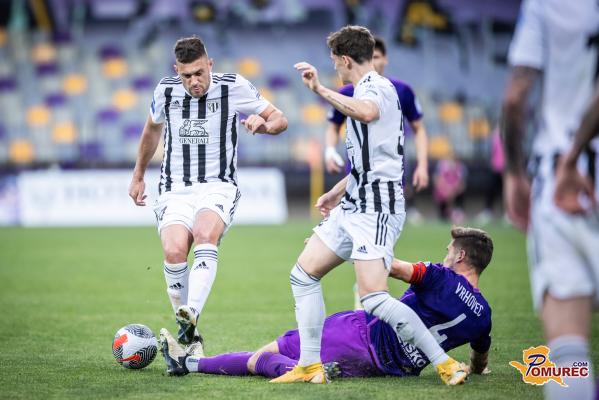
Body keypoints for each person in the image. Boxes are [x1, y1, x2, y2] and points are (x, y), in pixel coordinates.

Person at [273, 25, 465, 385]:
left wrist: (319, 90)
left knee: (374, 298)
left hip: (377, 208)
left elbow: (366, 113)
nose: (334, 68)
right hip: (354, 202)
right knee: (303, 274)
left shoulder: (376, 87)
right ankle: (310, 365)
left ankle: (445, 363)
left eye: (335, 62)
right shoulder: (366, 89)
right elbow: (369, 160)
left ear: (346, 60)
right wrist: (336, 192)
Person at [159, 227, 492, 385]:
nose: (445, 255)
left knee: (260, 358)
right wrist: (476, 369)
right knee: (304, 361)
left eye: (449, 251)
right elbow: (480, 357)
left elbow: (391, 266)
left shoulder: (440, 277)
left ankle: (189, 364)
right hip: (391, 368)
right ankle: (321, 369)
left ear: (461, 256)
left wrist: (333, 248)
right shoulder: (484, 316)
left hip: (359, 335)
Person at [128, 36, 288, 349]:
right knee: (174, 250)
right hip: (175, 188)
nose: (194, 81)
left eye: (200, 73)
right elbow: (151, 130)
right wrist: (138, 176)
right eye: (187, 75)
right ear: (177, 70)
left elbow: (279, 118)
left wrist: (264, 125)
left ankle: (192, 312)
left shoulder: (233, 86)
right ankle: (190, 336)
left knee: (204, 234)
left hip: (218, 185)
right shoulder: (165, 90)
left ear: (210, 64)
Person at [502, 1, 599, 398]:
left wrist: (515, 171)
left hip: (562, 184)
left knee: (567, 352)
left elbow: (515, 97)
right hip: (572, 169)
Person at [324, 36, 429, 195]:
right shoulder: (346, 93)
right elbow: (333, 127)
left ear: (385, 59)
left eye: (376, 57)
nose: (372, 63)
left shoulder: (402, 91)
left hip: (390, 174)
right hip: (355, 174)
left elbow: (419, 129)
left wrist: (422, 165)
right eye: (368, 58)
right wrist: (330, 151)